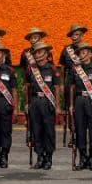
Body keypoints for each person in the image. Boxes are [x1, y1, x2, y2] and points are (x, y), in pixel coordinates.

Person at [24, 41, 61, 170]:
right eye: (36, 53)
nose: (38, 55)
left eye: (40, 52)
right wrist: (27, 103)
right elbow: (27, 88)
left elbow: (57, 88)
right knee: (36, 130)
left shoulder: (52, 69)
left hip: (47, 102)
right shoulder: (30, 69)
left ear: (46, 54)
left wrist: (57, 106)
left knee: (48, 131)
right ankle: (40, 157)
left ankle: (48, 158)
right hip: (35, 101)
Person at [68, 42, 92, 171]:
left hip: (91, 101)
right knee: (80, 131)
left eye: (83, 52)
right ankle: (82, 158)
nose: (81, 55)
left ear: (90, 53)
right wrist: (71, 105)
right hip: (79, 100)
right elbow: (71, 87)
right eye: (79, 53)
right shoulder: (75, 69)